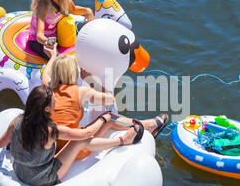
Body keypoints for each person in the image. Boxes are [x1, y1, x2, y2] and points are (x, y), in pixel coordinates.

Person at [0, 85, 142, 186]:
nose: (56, 103)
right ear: (46, 109)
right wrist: (104, 118)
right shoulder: (51, 130)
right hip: (44, 178)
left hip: (20, 172)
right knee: (79, 142)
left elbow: (0, 144)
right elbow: (87, 133)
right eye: (54, 101)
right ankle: (123, 140)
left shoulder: (17, 120)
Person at [41, 46, 169, 157]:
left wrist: (52, 57)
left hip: (54, 147)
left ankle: (148, 125)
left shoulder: (48, 89)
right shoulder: (81, 92)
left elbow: (45, 74)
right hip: (75, 149)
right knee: (110, 118)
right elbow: (110, 99)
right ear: (74, 73)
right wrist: (91, 80)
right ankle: (149, 125)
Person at [28, 0, 94, 60]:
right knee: (59, 59)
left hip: (56, 34)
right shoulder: (43, 5)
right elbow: (39, 35)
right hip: (38, 42)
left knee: (85, 29)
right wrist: (47, 42)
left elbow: (74, 10)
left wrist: (87, 10)